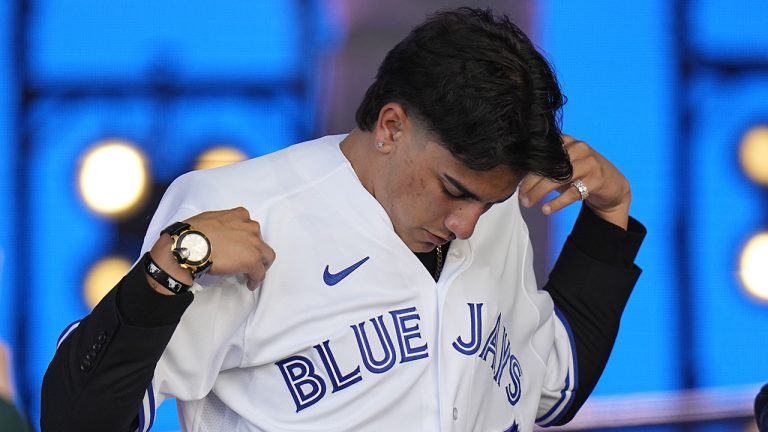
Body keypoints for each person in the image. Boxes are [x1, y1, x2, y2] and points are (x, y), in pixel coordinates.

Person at [41, 7, 645, 431]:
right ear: (391, 126)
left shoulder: (492, 214)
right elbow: (77, 420)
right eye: (453, 191)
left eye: (487, 201)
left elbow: (549, 386)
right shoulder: (243, 210)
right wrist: (171, 266)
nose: (466, 223)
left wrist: (607, 223)